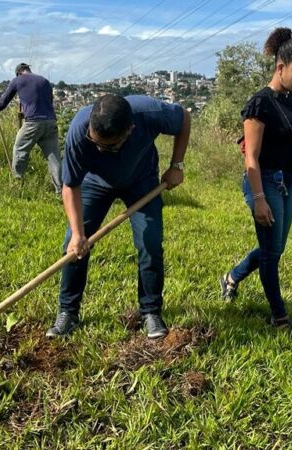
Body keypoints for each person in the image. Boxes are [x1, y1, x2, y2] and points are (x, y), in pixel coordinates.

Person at [46, 94, 191, 339]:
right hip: (95, 183)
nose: (100, 149)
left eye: (108, 146)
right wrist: (80, 234)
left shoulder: (149, 114)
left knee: (150, 243)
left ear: (130, 130)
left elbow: (184, 117)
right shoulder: (79, 131)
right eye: (96, 143)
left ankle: (150, 311)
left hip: (142, 182)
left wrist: (177, 165)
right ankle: (68, 312)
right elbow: (70, 186)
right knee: (72, 243)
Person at [219, 28, 292, 334]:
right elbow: (250, 157)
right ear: (280, 67)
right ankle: (279, 318)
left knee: (274, 249)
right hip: (263, 182)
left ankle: (231, 277)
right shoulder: (260, 104)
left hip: (286, 183)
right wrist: (259, 198)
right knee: (270, 254)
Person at [0, 63, 62, 194]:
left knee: (20, 149)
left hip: (33, 123)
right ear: (28, 70)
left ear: (18, 72)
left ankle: (17, 182)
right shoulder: (44, 81)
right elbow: (46, 102)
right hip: (51, 122)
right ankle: (60, 191)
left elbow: (4, 99)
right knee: (54, 158)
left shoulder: (17, 80)